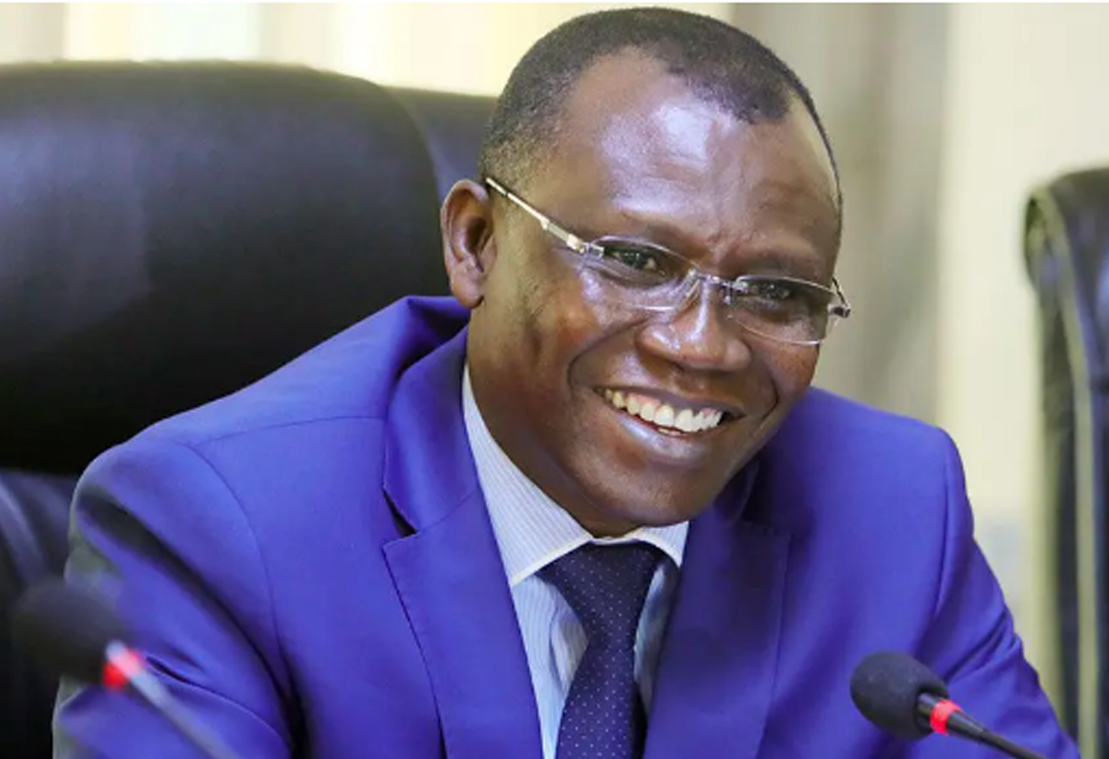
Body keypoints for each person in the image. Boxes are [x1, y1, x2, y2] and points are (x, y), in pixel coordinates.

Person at [54, 7, 1077, 759]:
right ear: (476, 244)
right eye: (634, 261)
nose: (701, 346)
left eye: (774, 291)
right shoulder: (220, 522)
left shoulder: (892, 510)